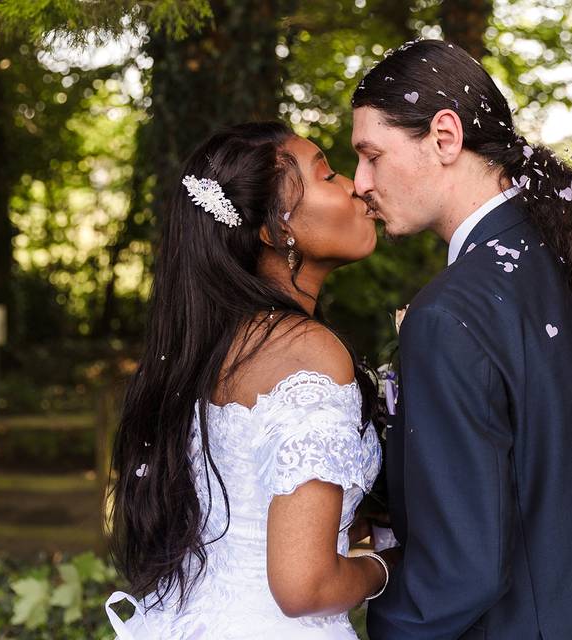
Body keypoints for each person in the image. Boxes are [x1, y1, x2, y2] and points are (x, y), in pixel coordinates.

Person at [352, 40, 572, 639]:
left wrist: (386, 628)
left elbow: (462, 567)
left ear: (445, 137)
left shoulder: (449, 313)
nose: (360, 181)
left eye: (372, 155)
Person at [104, 121, 400, 639]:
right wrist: (389, 565)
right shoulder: (308, 353)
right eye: (328, 175)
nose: (354, 185)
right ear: (275, 229)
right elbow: (303, 586)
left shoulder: (212, 345)